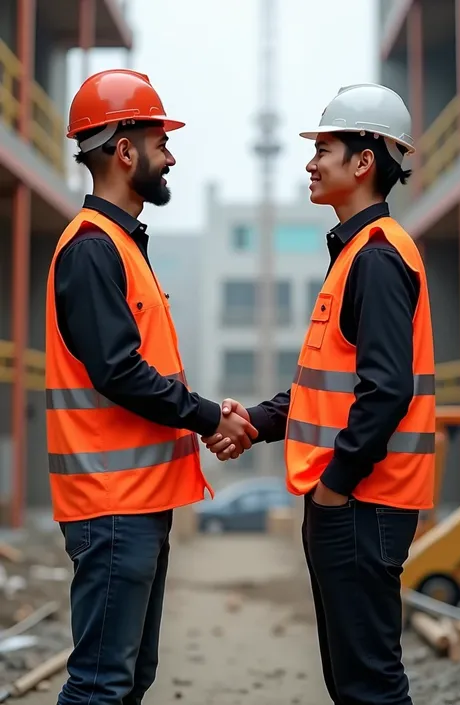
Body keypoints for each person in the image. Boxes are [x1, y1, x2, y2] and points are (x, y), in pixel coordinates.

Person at [203, 83, 436, 705]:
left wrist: (336, 484)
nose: (310, 162)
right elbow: (319, 390)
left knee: (369, 685)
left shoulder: (378, 258)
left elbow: (386, 390)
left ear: (364, 162)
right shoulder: (355, 254)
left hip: (362, 500)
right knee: (351, 680)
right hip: (352, 499)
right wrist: (250, 420)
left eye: (324, 148)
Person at [45, 69, 257, 705]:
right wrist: (206, 417)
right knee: (101, 686)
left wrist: (205, 413)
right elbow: (119, 371)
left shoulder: (120, 247)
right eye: (160, 142)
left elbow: (138, 370)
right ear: (124, 151)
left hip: (133, 504)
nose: (170, 156)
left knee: (128, 679)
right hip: (112, 505)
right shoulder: (91, 249)